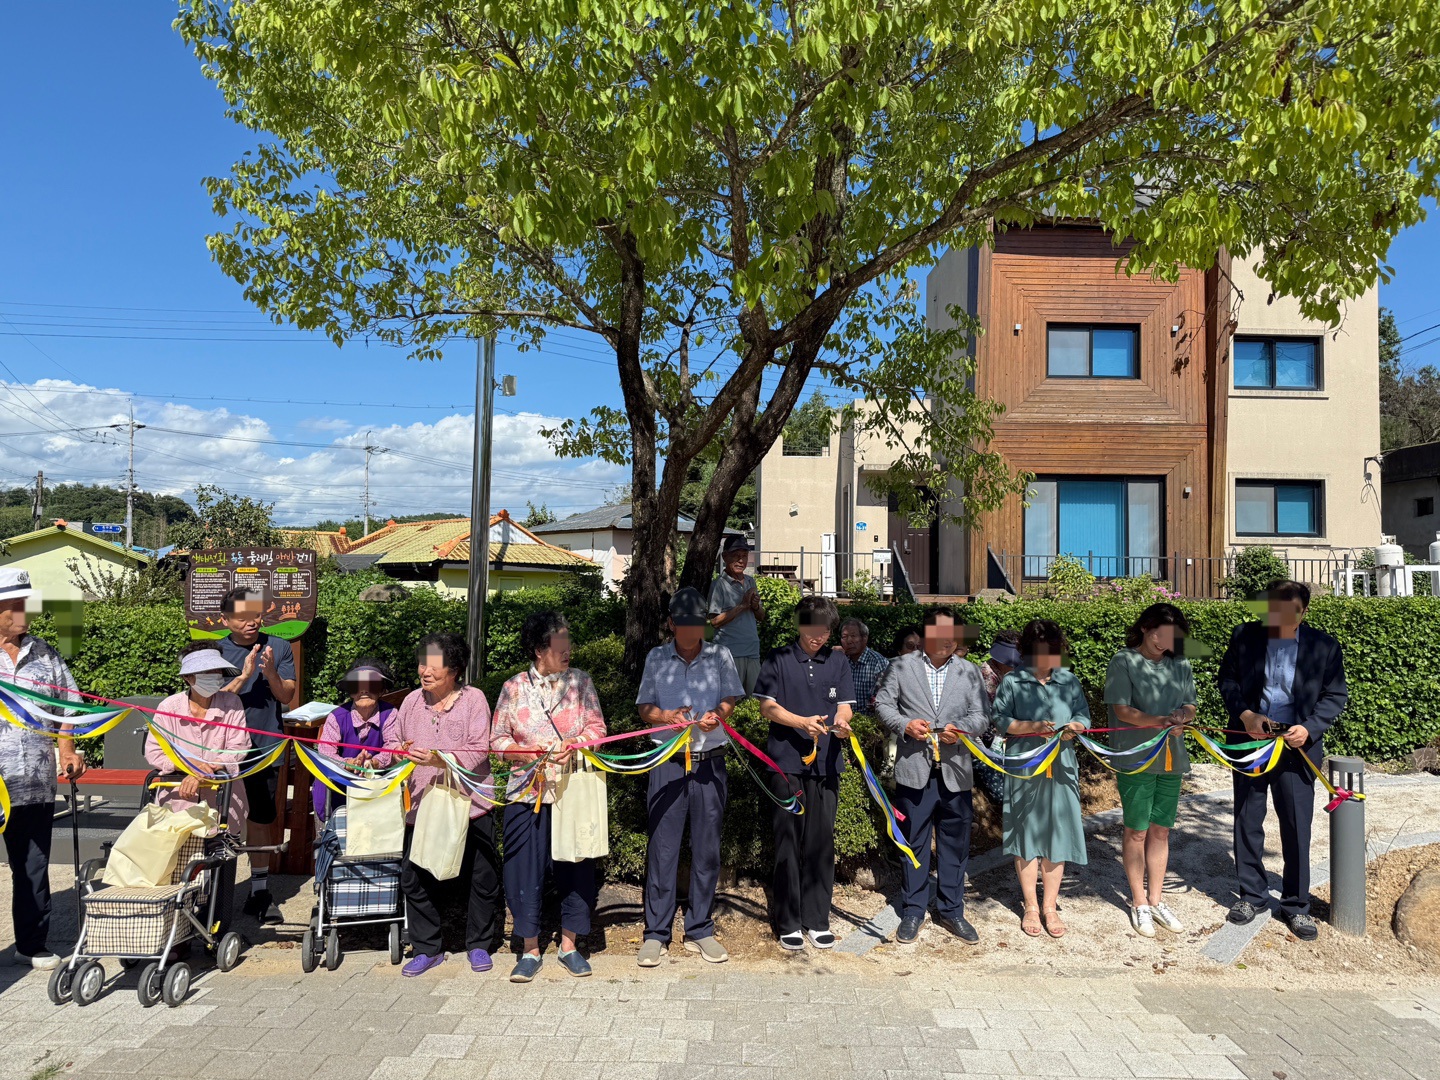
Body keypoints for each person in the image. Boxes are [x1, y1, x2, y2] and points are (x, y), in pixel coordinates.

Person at [1217, 580, 1347, 942]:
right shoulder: (1245, 636)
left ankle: (1295, 905)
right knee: (1247, 818)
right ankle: (1252, 896)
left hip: (1297, 745)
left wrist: (1309, 728)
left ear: (1304, 612)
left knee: (1295, 826)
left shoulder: (1324, 646)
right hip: (1252, 739)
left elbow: (1335, 695)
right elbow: (1226, 680)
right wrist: (1245, 715)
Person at [491, 611, 608, 982]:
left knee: (576, 866)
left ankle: (571, 945)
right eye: (560, 642)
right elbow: (497, 742)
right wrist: (530, 751)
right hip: (526, 793)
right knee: (523, 868)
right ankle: (529, 949)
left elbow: (599, 730)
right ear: (540, 649)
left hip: (572, 792)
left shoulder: (582, 682)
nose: (568, 649)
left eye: (568, 641)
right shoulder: (512, 688)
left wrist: (574, 744)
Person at [635, 587, 745, 967]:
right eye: (683, 623)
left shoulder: (720, 655)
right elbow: (644, 707)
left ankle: (699, 929)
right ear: (671, 623)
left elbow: (732, 696)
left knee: (707, 848)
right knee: (663, 848)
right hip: (666, 761)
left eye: (696, 623)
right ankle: (656, 933)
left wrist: (718, 713)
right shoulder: (656, 657)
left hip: (709, 761)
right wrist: (665, 717)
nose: (690, 629)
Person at [874, 607, 989, 945]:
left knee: (955, 843)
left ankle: (952, 910)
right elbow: (882, 705)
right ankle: (913, 909)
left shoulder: (969, 671)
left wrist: (965, 730)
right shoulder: (900, 666)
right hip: (914, 770)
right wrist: (904, 725)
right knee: (914, 842)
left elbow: (982, 715)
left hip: (955, 771)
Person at [390, 633, 501, 977]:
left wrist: (441, 759)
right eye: (422, 663)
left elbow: (480, 748)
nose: (425, 671)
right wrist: (399, 749)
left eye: (434, 666)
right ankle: (427, 948)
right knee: (415, 878)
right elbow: (393, 739)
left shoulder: (473, 699)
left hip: (471, 803)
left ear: (454, 669)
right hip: (423, 805)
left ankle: (479, 945)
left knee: (481, 877)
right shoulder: (409, 701)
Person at [754, 595, 856, 950]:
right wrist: (800, 722)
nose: (818, 637)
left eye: (825, 631)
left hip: (827, 764)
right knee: (787, 841)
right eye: (812, 629)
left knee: (821, 842)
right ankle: (789, 921)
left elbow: (845, 707)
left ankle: (817, 919)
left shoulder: (838, 662)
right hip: (785, 764)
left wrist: (842, 724)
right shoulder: (778, 659)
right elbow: (767, 707)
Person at [0, 567, 84, 970]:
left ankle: (31, 944)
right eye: (17, 605)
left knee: (32, 865)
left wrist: (66, 748)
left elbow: (69, 706)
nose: (26, 611)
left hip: (34, 779)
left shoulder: (45, 652)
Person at [993, 619, 1090, 939]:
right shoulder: (1013, 682)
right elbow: (1000, 720)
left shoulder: (1069, 680)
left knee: (1057, 835)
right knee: (1026, 835)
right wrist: (1031, 727)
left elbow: (1083, 716)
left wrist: (1075, 727)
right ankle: (1031, 906)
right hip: (1025, 766)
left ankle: (1050, 906)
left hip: (1062, 767)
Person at [1104, 604, 1196, 938]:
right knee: (1137, 830)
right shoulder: (1123, 661)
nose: (1166, 642)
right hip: (1135, 756)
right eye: (1161, 634)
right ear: (1145, 627)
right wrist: (1159, 721)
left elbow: (1190, 704)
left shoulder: (1180, 663)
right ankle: (1138, 901)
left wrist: (1182, 717)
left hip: (1172, 757)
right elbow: (1122, 710)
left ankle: (1156, 900)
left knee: (1161, 829)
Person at [215, 587, 296, 925]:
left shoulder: (278, 646)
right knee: (217, 819)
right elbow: (207, 700)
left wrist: (270, 674)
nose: (251, 623)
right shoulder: (214, 651)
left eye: (256, 615)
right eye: (242, 617)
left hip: (264, 747)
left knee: (261, 818)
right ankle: (212, 888)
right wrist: (245, 676)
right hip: (218, 752)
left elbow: (287, 695)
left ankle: (260, 890)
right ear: (224, 620)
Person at [147, 643, 252, 828]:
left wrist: (205, 770)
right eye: (207, 672)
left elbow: (239, 746)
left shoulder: (232, 703)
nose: (215, 676)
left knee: (219, 854)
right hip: (177, 801)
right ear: (188, 677)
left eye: (217, 671)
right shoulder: (169, 707)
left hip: (223, 803)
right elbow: (155, 752)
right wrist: (190, 766)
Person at [312, 659, 399, 820]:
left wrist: (373, 763)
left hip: (377, 789)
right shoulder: (336, 717)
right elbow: (326, 753)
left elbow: (393, 745)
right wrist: (350, 764)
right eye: (357, 686)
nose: (364, 691)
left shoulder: (390, 714)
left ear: (381, 690)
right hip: (338, 791)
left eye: (372, 685)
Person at [708, 536, 766, 696]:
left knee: (756, 701)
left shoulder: (750, 581)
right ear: (725, 557)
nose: (741, 560)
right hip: (730, 654)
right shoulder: (718, 584)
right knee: (731, 702)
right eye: (736, 555)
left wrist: (754, 606)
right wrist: (742, 606)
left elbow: (761, 616)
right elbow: (714, 621)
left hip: (753, 652)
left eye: (745, 556)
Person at [971, 629, 1022, 806]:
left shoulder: (1011, 674)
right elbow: (986, 718)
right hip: (985, 742)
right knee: (1004, 794)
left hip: (1008, 737)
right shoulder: (986, 675)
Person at [839, 617, 890, 716]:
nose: (849, 641)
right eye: (844, 636)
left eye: (853, 636)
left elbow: (884, 700)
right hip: (842, 721)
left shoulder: (879, 663)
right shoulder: (840, 661)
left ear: (864, 638)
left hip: (871, 725)